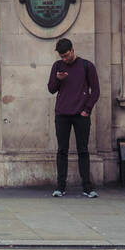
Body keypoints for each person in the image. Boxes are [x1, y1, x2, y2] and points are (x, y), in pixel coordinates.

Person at [47, 38, 100, 198]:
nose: (64, 59)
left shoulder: (86, 66)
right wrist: (58, 79)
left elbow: (96, 91)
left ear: (72, 50)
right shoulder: (57, 66)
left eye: (66, 55)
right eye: (62, 56)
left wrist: (87, 110)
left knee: (83, 150)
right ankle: (60, 187)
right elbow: (51, 89)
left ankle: (87, 187)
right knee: (62, 150)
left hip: (80, 115)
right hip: (62, 114)